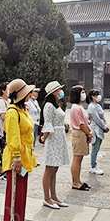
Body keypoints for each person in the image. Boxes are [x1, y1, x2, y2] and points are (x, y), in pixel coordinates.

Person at [2, 79, 37, 221]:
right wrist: (16, 158)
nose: (30, 94)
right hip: (16, 157)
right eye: (28, 92)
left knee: (22, 193)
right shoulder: (12, 112)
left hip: (25, 155)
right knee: (14, 193)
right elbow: (13, 137)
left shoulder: (22, 109)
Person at [40, 81, 70, 209]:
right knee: (50, 168)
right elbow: (47, 123)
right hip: (53, 137)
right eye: (59, 89)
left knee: (55, 168)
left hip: (59, 136)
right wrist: (44, 138)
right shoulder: (48, 106)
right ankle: (47, 197)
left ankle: (54, 196)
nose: (61, 91)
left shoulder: (56, 104)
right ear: (53, 91)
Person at [70, 85, 93, 191]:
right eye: (82, 92)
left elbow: (86, 122)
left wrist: (89, 131)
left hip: (83, 133)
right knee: (77, 158)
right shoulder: (75, 108)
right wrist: (88, 133)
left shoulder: (80, 107)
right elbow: (81, 124)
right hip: (79, 133)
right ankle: (75, 182)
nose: (84, 94)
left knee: (80, 159)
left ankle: (78, 180)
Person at [87, 89, 109, 174]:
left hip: (100, 129)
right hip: (95, 129)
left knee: (97, 148)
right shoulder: (91, 106)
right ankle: (93, 166)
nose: (99, 97)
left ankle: (95, 165)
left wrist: (105, 126)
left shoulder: (97, 105)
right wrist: (104, 127)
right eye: (97, 95)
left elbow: (102, 117)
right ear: (92, 96)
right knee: (95, 149)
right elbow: (97, 119)